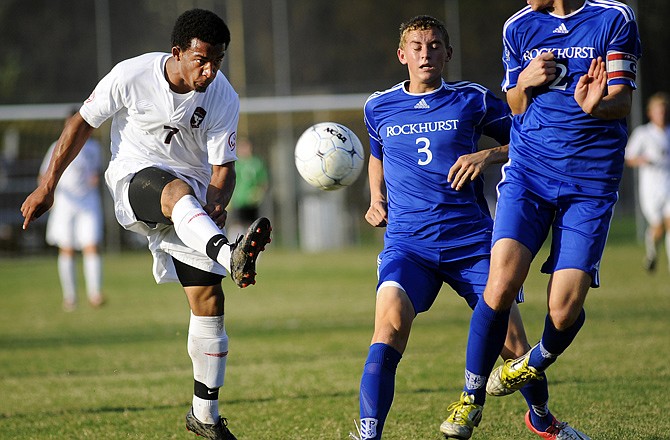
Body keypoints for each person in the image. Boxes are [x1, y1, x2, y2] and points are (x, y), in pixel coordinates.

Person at [21, 9, 272, 440]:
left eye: (218, 61)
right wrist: (48, 185)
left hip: (190, 206)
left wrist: (217, 204)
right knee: (175, 192)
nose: (210, 70)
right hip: (135, 180)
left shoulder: (222, 96)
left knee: (208, 300)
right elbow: (82, 123)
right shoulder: (132, 75)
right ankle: (230, 252)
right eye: (202, 60)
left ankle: (205, 416)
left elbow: (221, 170)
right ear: (178, 53)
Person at [349, 15, 584, 440]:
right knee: (388, 328)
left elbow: (529, 138)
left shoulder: (471, 99)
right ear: (402, 55)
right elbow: (377, 154)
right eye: (417, 46)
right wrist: (376, 198)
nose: (426, 53)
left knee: (514, 344)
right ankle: (368, 435)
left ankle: (542, 418)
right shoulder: (377, 106)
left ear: (448, 53)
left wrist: (487, 156)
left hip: (472, 243)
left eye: (435, 45)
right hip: (409, 246)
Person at [442, 1, 640, 439]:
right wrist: (526, 82)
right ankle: (469, 399)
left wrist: (594, 106)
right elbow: (514, 104)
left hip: (590, 183)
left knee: (564, 308)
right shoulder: (519, 26)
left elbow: (622, 101)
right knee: (500, 284)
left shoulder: (613, 19)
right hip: (529, 175)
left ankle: (532, 363)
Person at [40, 110, 105, 311]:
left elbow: (98, 171)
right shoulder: (56, 147)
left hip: (87, 201)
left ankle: (95, 294)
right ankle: (70, 297)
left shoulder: (94, 147)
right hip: (65, 202)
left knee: (91, 245)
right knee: (66, 248)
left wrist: (96, 178)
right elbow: (44, 176)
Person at [625, 92, 670, 273]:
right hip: (651, 188)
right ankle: (651, 253)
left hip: (668, 185)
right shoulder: (643, 133)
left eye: (664, 110)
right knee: (658, 225)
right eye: (658, 111)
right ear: (650, 112)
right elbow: (628, 157)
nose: (662, 114)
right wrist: (643, 160)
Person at [228, 137, 268, 239]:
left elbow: (263, 181)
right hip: (238, 200)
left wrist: (258, 193)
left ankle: (254, 250)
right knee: (237, 224)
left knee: (253, 226)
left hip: (251, 201)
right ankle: (233, 247)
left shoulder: (256, 163)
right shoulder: (235, 164)